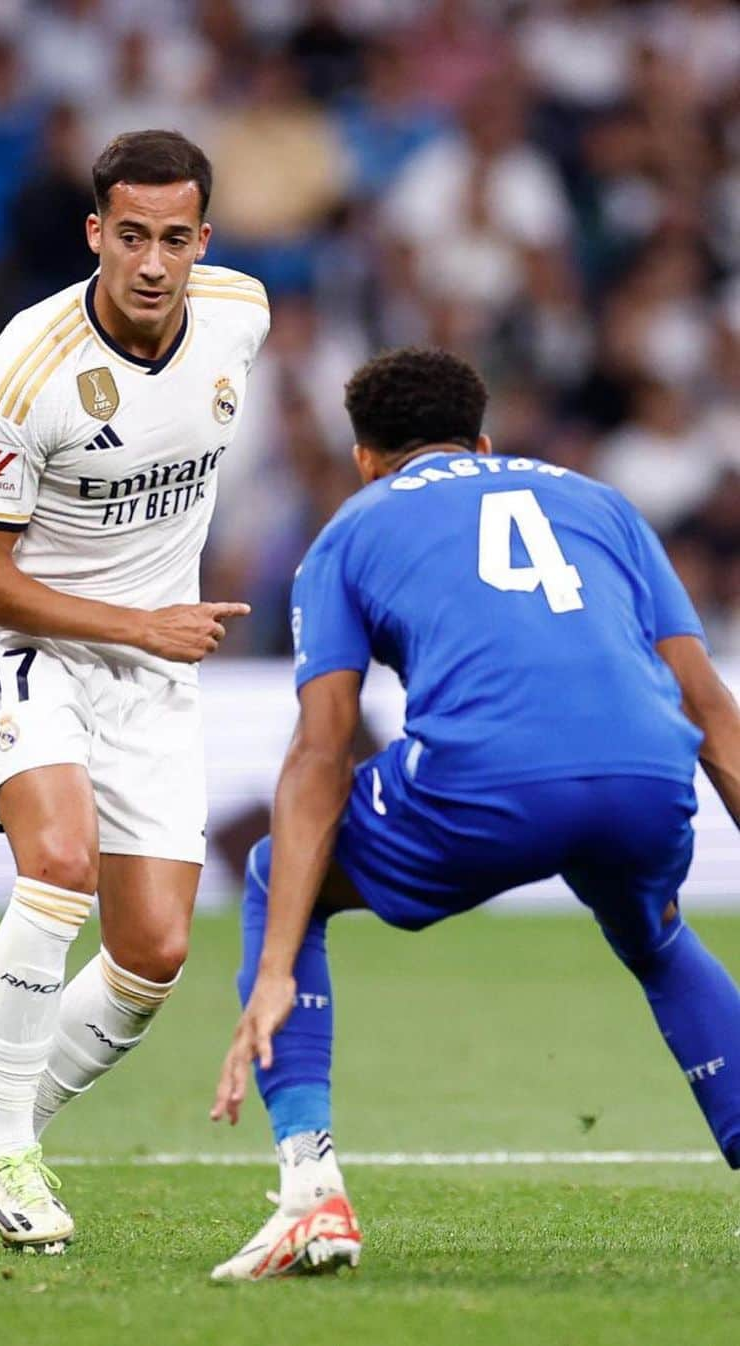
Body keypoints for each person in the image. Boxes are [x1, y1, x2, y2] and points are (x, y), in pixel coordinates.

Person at [209, 347, 740, 1282]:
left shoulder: (351, 525)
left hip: (487, 781)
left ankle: (309, 1193)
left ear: (366, 457)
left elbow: (323, 749)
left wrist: (278, 962)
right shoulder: (601, 501)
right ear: (484, 441)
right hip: (647, 768)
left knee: (271, 873)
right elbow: (712, 710)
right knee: (652, 934)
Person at [0, 129, 269, 1249]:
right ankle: (15, 1159)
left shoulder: (241, 316)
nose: (152, 262)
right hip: (25, 640)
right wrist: (142, 622)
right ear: (95, 233)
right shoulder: (22, 373)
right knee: (61, 864)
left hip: (150, 671)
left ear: (203, 242)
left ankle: (3, 1113)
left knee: (155, 955)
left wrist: (149, 635)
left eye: (176, 238)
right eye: (131, 234)